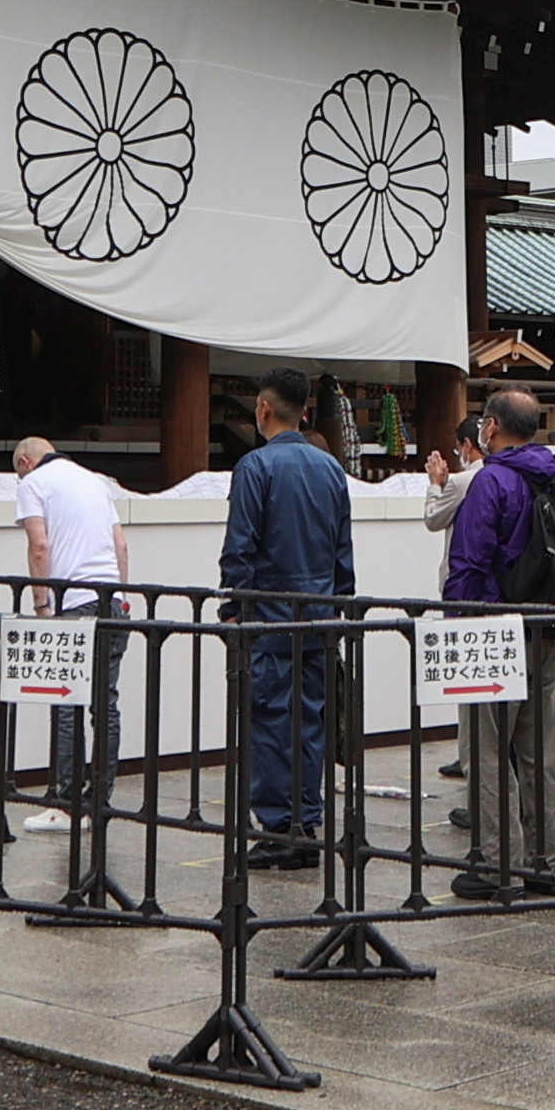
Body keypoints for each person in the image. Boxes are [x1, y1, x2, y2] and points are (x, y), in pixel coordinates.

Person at [218, 369, 355, 868]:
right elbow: (343, 551)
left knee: (269, 725)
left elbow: (241, 548)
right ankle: (308, 822)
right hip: (319, 617)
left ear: (263, 409)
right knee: (309, 722)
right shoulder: (330, 469)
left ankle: (279, 828)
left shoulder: (255, 468)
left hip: (270, 617)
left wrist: (234, 607)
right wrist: (339, 603)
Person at [438, 389, 555, 898]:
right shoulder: (554, 480)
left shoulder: (490, 481)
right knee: (542, 750)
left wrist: (457, 623)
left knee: (487, 749)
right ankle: (547, 859)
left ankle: (498, 862)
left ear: (490, 427)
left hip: (490, 629)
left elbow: (469, 563)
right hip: (545, 627)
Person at [9, 429, 127, 848]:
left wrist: (43, 605)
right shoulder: (94, 480)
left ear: (25, 462)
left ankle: (64, 803)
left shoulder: (34, 484)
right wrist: (123, 598)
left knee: (64, 701)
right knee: (105, 703)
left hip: (72, 604)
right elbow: (120, 546)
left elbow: (40, 546)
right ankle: (100, 802)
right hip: (112, 600)